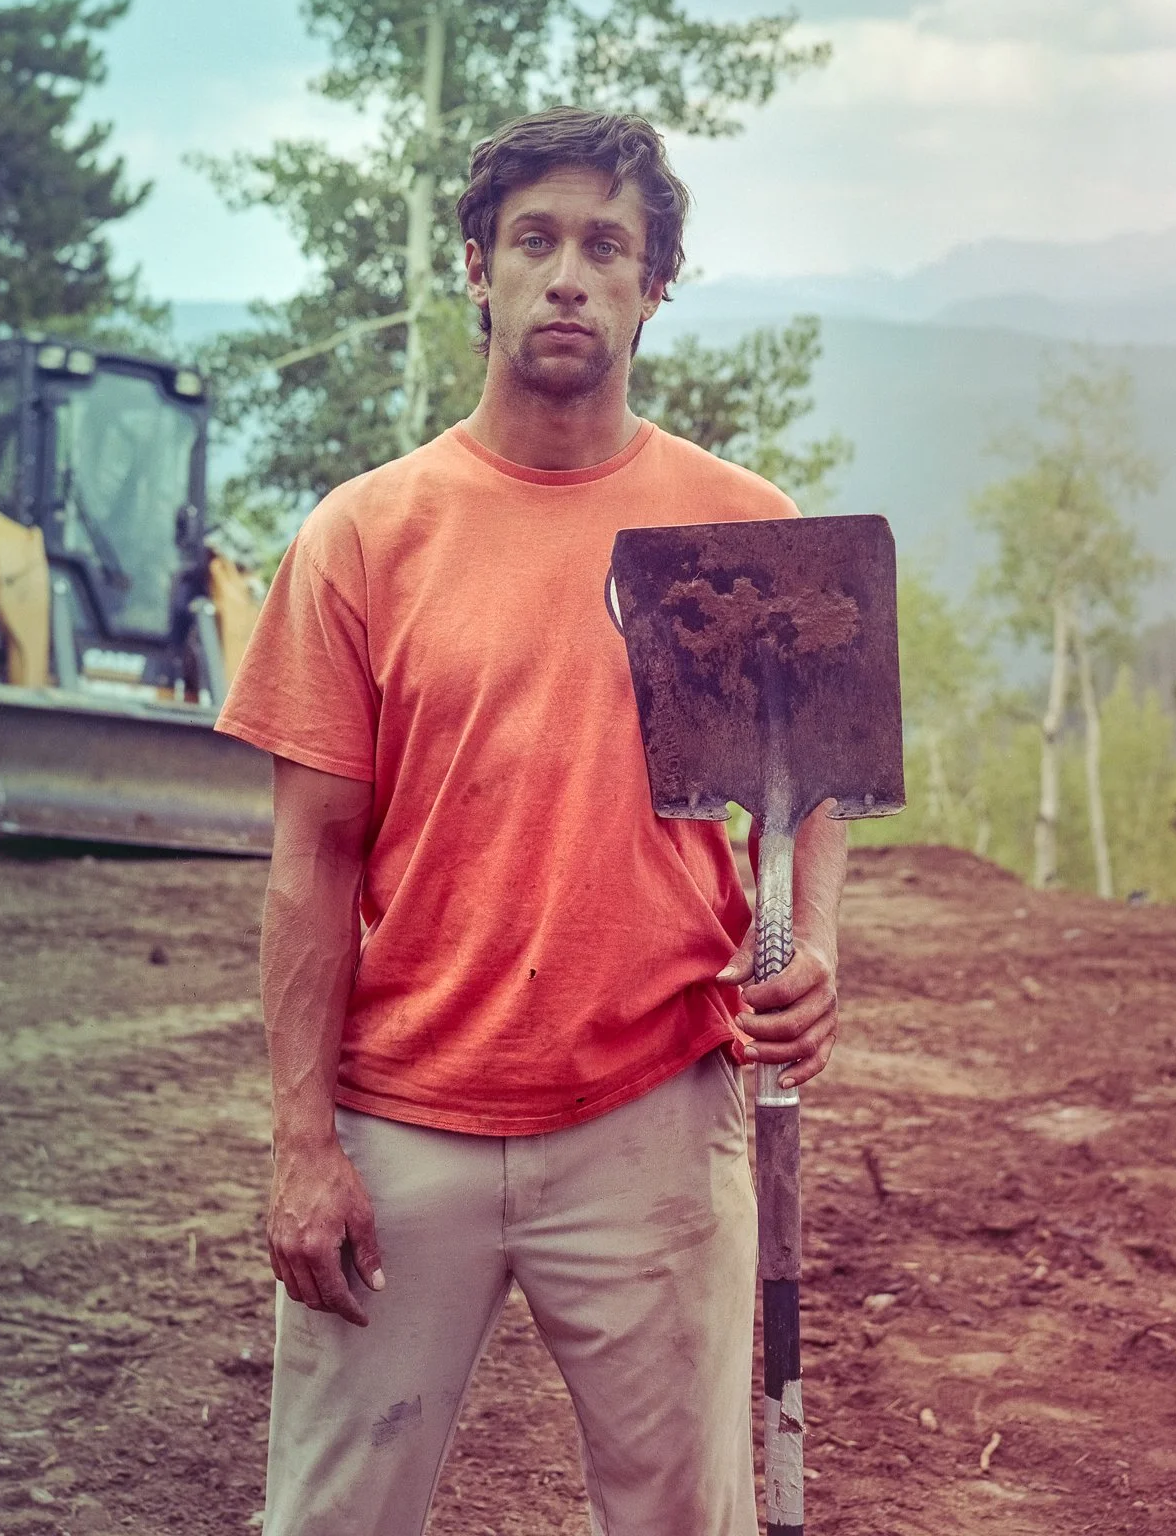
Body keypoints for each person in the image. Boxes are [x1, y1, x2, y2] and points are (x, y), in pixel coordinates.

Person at [216, 107, 847, 1536]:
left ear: (654, 284)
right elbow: (310, 863)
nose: (568, 276)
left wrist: (812, 945)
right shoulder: (365, 535)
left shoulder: (741, 532)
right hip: (398, 1128)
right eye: (535, 241)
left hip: (655, 1115)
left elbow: (806, 790)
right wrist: (302, 1144)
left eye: (607, 247)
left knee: (682, 1516)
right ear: (478, 268)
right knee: (331, 1518)